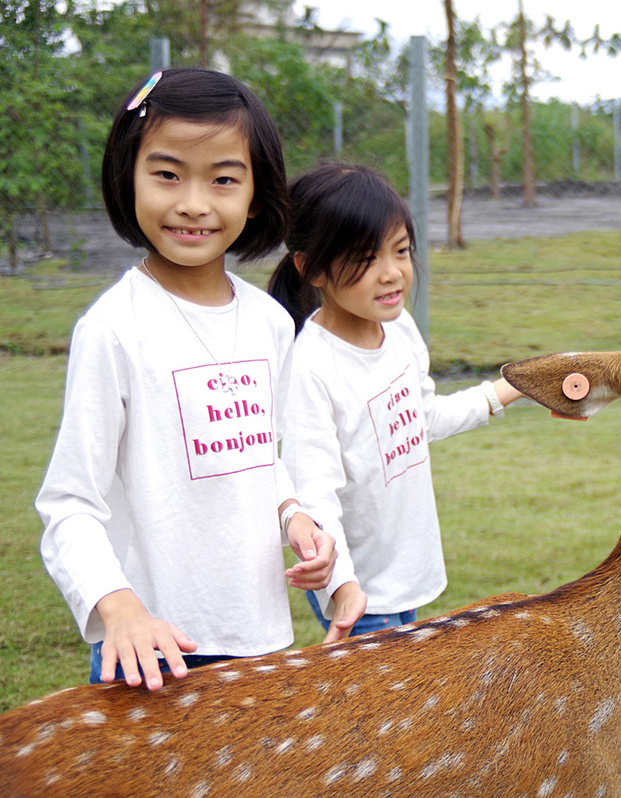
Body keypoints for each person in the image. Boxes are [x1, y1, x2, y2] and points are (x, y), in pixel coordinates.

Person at [36, 68, 336, 692]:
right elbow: (69, 504)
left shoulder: (271, 324)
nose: (194, 202)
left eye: (223, 179)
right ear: (129, 177)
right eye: (167, 173)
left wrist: (294, 516)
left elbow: (261, 455)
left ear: (256, 194)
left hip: (263, 643)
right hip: (154, 654)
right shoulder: (114, 329)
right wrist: (119, 609)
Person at [268, 163, 523, 643]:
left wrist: (516, 386)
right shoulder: (310, 367)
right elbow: (313, 493)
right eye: (365, 258)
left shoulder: (399, 328)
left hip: (407, 576)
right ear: (312, 268)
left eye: (401, 250)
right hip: (362, 596)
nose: (392, 274)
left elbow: (421, 420)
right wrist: (343, 586)